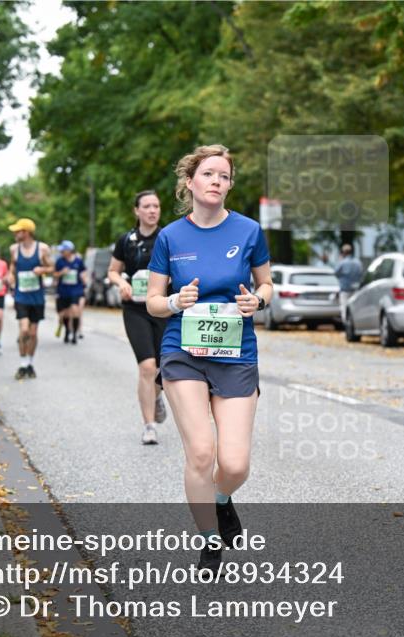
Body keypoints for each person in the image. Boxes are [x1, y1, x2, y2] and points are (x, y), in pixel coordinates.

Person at [146, 145, 273, 572]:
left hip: (236, 353)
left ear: (229, 185)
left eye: (224, 175)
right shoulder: (170, 237)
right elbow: (152, 303)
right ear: (190, 182)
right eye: (208, 173)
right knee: (201, 453)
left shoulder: (249, 231)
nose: (216, 180)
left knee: (234, 464)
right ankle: (208, 539)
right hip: (183, 351)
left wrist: (257, 301)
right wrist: (175, 301)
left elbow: (267, 286)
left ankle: (221, 499)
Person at [109, 190, 169, 445]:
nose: (152, 210)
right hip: (136, 310)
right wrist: (121, 283)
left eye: (156, 206)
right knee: (147, 366)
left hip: (165, 309)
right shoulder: (126, 240)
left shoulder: (169, 238)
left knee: (164, 370)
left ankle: (155, 396)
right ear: (137, 211)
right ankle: (149, 426)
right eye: (147, 206)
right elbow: (113, 271)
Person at [7, 218, 53, 379]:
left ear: (26, 232)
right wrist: (10, 275)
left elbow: (51, 267)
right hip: (21, 296)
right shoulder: (14, 249)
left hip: (37, 297)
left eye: (18, 231)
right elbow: (12, 266)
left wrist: (42, 269)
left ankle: (30, 364)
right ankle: (22, 364)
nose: (15, 233)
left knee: (33, 333)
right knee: (24, 329)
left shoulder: (42, 249)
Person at [54, 240, 87, 344]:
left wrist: (84, 278)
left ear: (69, 250)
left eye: (63, 250)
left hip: (75, 290)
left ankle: (75, 335)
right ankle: (67, 331)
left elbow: (83, 271)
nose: (61, 252)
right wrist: (61, 273)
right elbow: (54, 274)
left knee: (75, 310)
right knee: (65, 314)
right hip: (63, 291)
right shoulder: (59, 261)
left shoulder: (78, 261)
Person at [334, 243, 363, 315]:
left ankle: (346, 324)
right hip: (356, 289)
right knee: (355, 308)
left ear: (343, 252)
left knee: (344, 308)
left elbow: (336, 273)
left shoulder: (342, 262)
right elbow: (361, 274)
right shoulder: (358, 262)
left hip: (345, 289)